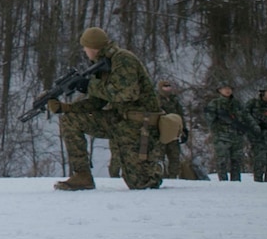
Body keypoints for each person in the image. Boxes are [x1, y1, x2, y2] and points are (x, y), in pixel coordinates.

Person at [46, 27, 163, 191]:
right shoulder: (101, 65)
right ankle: (82, 176)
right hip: (120, 120)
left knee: (142, 183)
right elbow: (97, 102)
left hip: (139, 124)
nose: (84, 51)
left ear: (93, 48)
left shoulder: (123, 59)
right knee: (71, 120)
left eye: (85, 47)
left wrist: (89, 85)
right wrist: (65, 108)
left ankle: (153, 165)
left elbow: (127, 93)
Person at [205, 83, 255, 181]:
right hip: (221, 136)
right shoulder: (215, 103)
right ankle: (223, 181)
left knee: (237, 161)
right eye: (225, 88)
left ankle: (236, 181)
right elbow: (209, 120)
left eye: (229, 88)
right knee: (222, 160)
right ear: (219, 90)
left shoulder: (237, 103)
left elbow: (244, 117)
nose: (227, 90)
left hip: (236, 136)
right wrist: (217, 115)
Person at [156, 80, 187, 179]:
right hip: (160, 132)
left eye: (169, 86)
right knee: (159, 157)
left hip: (174, 133)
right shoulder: (156, 99)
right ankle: (160, 176)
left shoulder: (174, 100)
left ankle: (173, 177)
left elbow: (180, 115)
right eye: (165, 86)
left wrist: (184, 129)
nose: (168, 88)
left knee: (174, 156)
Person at [246, 85, 267, 182]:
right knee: (259, 159)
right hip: (258, 137)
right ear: (263, 93)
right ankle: (258, 182)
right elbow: (244, 116)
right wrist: (254, 126)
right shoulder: (253, 103)